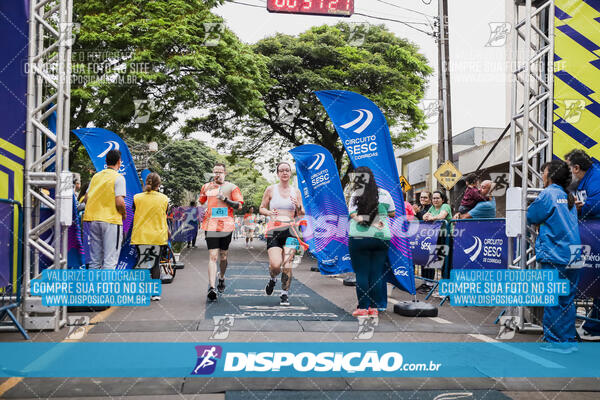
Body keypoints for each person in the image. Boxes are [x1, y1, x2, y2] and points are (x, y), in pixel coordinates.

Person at [527, 159, 581, 351]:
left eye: (543, 172)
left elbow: (531, 216)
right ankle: (568, 341)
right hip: (574, 254)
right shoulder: (569, 196)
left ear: (550, 175)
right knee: (566, 299)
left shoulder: (548, 194)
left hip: (555, 253)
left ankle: (555, 342)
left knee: (552, 298)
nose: (542, 176)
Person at [347, 167, 395, 317]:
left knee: (362, 273)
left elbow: (353, 215)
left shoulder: (356, 193)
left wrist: (366, 220)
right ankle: (374, 308)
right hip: (382, 237)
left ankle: (362, 308)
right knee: (376, 273)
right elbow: (392, 213)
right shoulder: (386, 193)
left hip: (359, 238)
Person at [565, 149, 600, 339]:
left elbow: (597, 204)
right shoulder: (579, 182)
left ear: (576, 168)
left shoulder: (597, 176)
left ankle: (595, 328)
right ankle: (593, 326)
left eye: (568, 168)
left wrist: (581, 208)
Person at [259, 161, 304, 306]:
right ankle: (272, 279)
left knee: (288, 263)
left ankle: (284, 293)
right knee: (276, 265)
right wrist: (269, 212)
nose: (285, 173)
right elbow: (261, 208)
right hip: (274, 229)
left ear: (290, 173)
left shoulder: (296, 191)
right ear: (278, 173)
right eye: (281, 170)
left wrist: (298, 206)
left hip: (291, 230)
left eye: (287, 170)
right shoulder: (270, 189)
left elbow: (301, 213)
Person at [198, 163, 243, 301]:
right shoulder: (206, 186)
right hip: (210, 225)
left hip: (226, 226)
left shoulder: (232, 187)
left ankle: (221, 277)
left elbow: (239, 206)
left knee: (223, 256)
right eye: (215, 171)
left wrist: (225, 199)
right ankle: (212, 288)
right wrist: (202, 209)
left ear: (225, 173)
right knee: (213, 256)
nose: (217, 174)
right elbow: (201, 201)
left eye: (220, 171)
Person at [82, 149, 126, 269]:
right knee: (110, 261)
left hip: (93, 221)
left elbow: (86, 198)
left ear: (106, 161)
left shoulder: (96, 177)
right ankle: (106, 288)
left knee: (95, 260)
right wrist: (124, 214)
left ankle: (93, 287)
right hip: (111, 221)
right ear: (119, 162)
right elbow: (120, 202)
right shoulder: (119, 178)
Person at [131, 172, 169, 301]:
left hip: (140, 235)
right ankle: (155, 293)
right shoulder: (164, 199)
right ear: (159, 185)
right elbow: (164, 214)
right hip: (157, 236)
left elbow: (133, 211)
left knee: (142, 263)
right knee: (155, 264)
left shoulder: (137, 198)